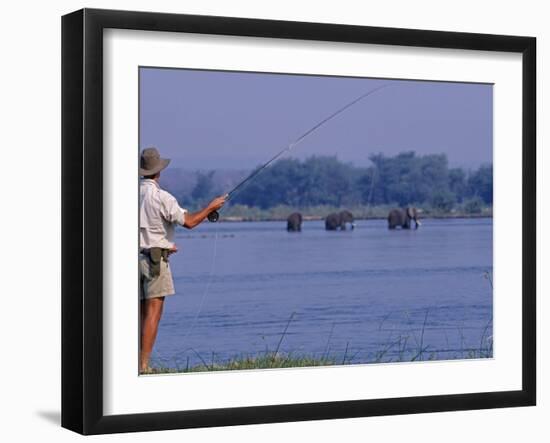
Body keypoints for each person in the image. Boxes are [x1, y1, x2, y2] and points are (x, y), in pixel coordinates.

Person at [138, 147, 226, 374]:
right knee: (153, 313)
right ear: (159, 172)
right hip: (155, 263)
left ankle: (133, 364)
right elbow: (189, 222)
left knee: (138, 313)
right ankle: (143, 366)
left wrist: (165, 244)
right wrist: (211, 207)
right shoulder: (162, 197)